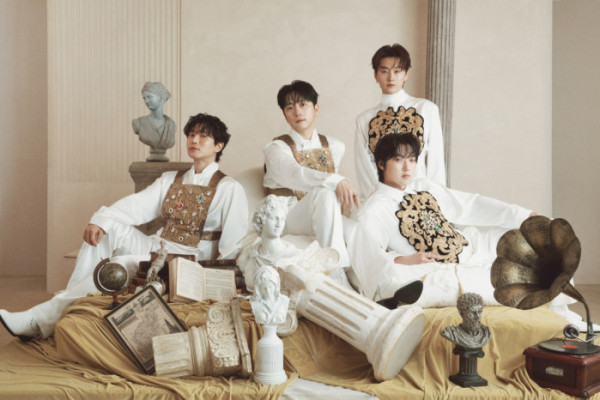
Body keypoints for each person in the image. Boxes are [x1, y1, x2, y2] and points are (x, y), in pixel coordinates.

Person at [0, 113, 248, 340]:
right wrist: (100, 220)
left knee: (118, 265)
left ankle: (38, 320)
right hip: (159, 247)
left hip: (189, 262)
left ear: (218, 146)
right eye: (191, 134)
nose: (194, 140)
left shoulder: (229, 188)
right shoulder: (171, 179)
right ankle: (71, 302)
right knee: (107, 229)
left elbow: (232, 245)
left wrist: (218, 284)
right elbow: (137, 205)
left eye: (203, 136)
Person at [349, 133, 535, 307]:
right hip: (445, 268)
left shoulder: (422, 186)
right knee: (513, 280)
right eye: (398, 160)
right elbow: (368, 258)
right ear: (381, 164)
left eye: (412, 160)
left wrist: (523, 215)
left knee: (530, 237)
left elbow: (468, 204)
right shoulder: (374, 209)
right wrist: (405, 259)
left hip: (473, 244)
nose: (407, 167)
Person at [263, 80, 360, 267]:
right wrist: (337, 181)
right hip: (287, 217)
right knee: (325, 192)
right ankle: (336, 269)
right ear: (285, 115)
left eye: (303, 104)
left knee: (356, 231)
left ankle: (382, 280)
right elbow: (295, 173)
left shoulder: (335, 146)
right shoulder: (275, 149)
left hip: (323, 212)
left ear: (316, 109)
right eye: (290, 107)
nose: (297, 112)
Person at [355, 43, 446, 200]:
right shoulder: (364, 120)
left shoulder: (426, 109)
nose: (391, 77)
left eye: (397, 71)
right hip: (383, 200)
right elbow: (364, 169)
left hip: (421, 197)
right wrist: (379, 201)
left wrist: (437, 200)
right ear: (375, 75)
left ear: (406, 74)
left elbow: (436, 163)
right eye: (384, 71)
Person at [132, 81, 177, 161]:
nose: (146, 101)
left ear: (161, 97)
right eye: (144, 98)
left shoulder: (171, 125)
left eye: (149, 97)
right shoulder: (138, 123)